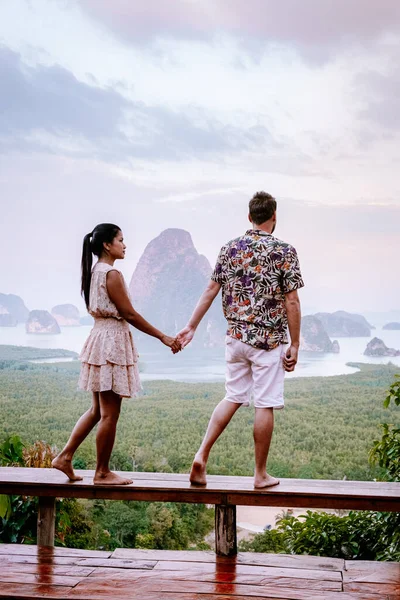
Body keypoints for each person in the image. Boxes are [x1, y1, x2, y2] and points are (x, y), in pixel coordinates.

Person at [177, 192, 304, 488]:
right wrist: (295, 344)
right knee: (265, 404)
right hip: (268, 340)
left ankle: (201, 454)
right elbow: (292, 301)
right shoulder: (285, 251)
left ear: (249, 217)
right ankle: (260, 474)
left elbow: (210, 290)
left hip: (235, 337)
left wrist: (191, 326)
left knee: (233, 396)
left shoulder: (230, 248)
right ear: (274, 217)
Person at [52, 223, 181, 485]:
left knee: (97, 410)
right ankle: (102, 472)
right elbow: (130, 314)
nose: (125, 245)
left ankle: (65, 457)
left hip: (99, 340)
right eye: (121, 240)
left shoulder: (94, 272)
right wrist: (164, 337)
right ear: (106, 245)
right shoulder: (111, 274)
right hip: (111, 343)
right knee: (110, 413)